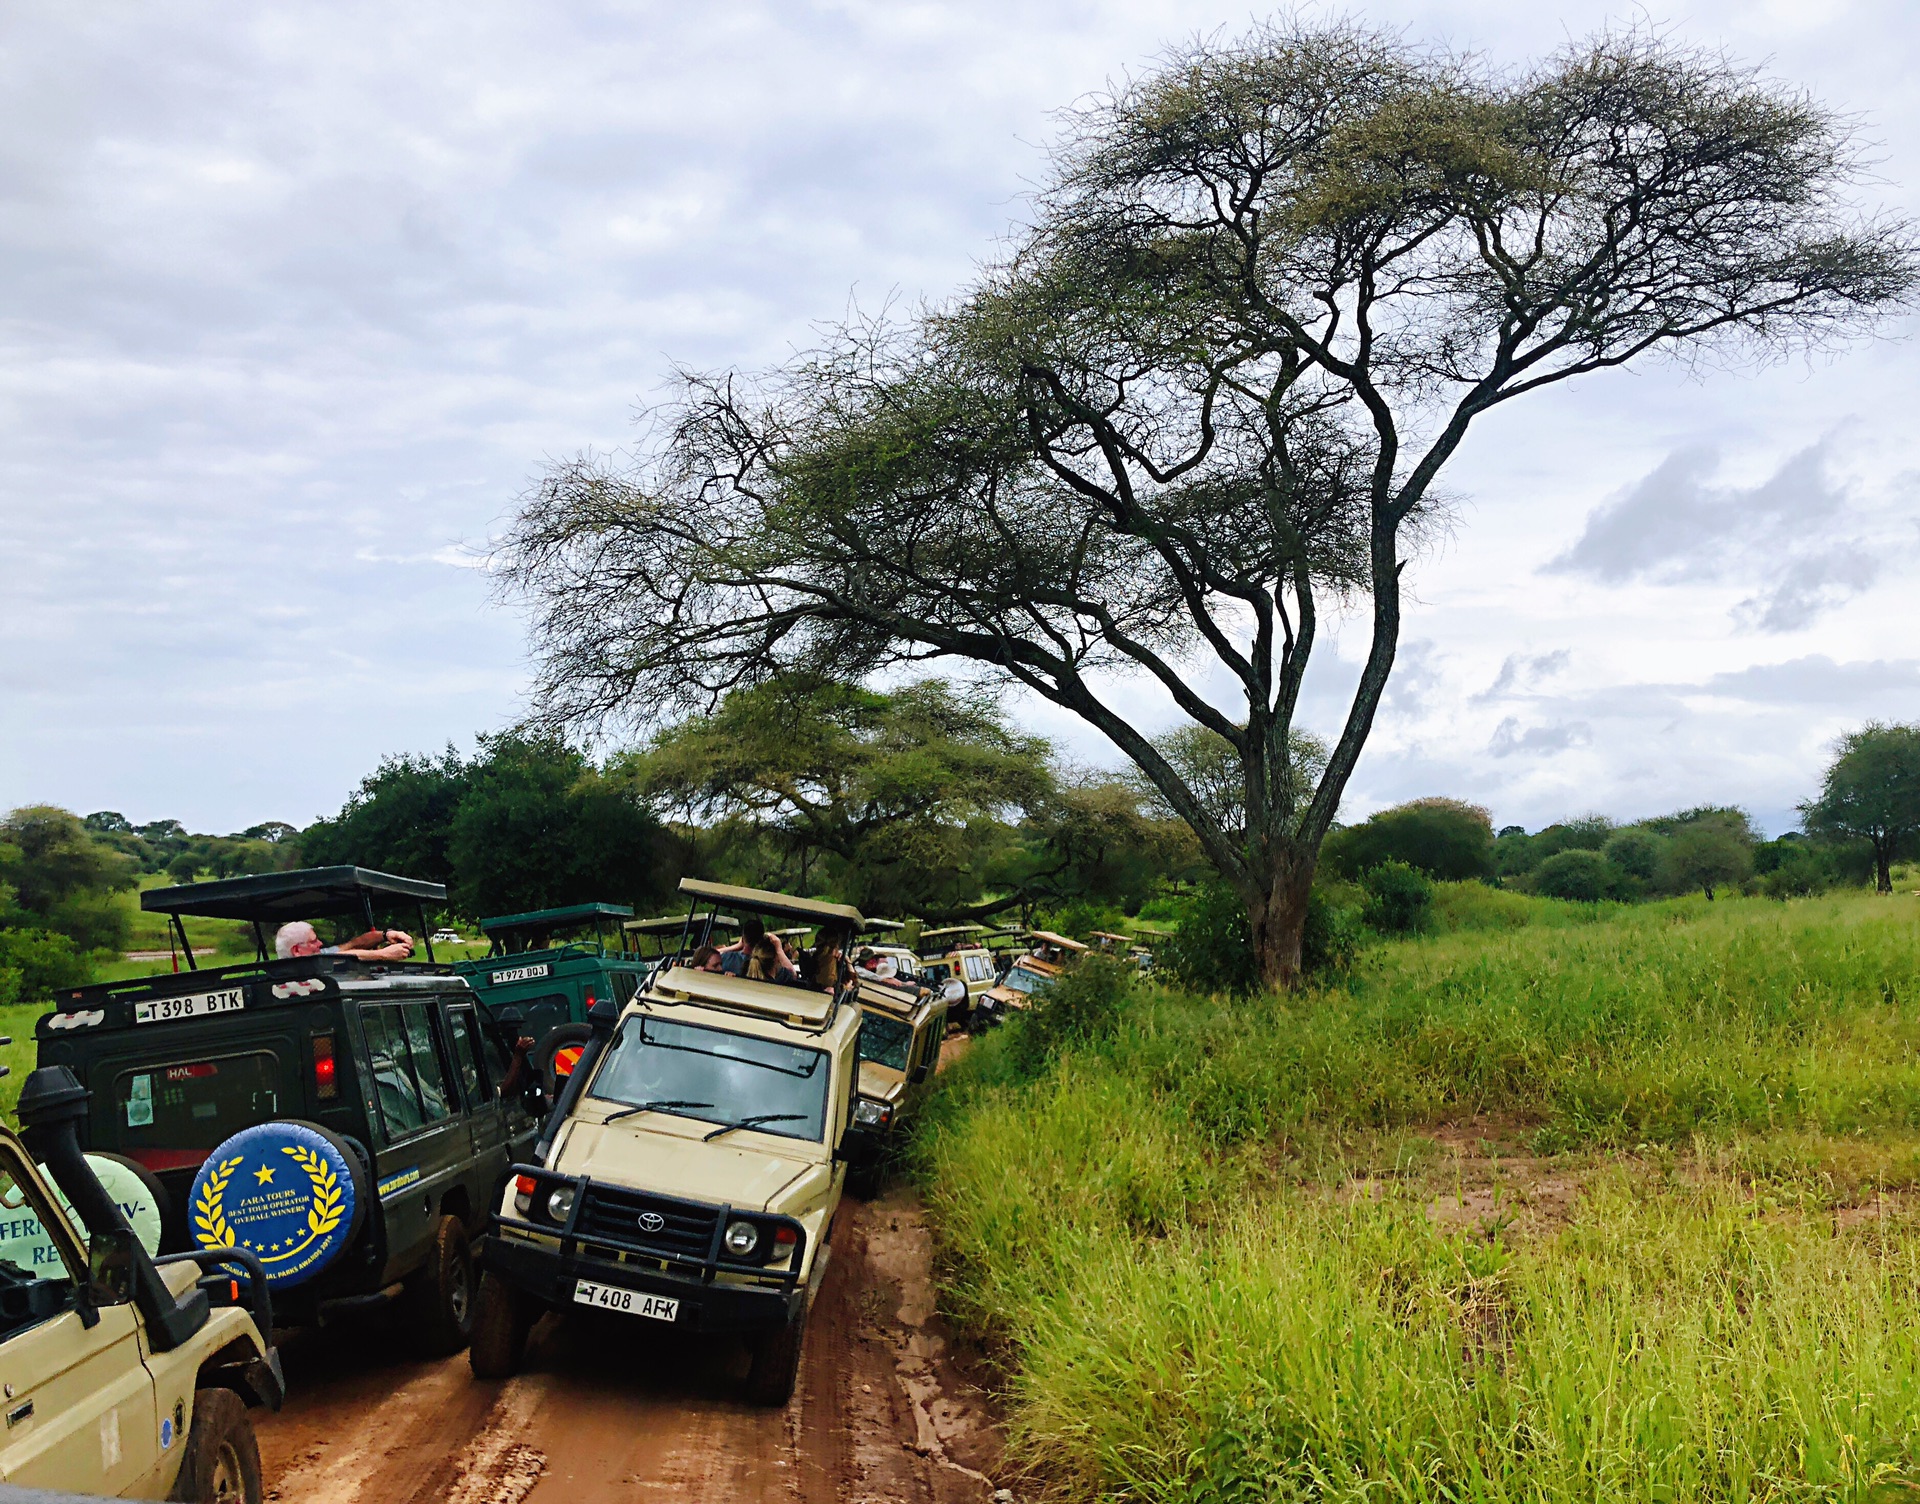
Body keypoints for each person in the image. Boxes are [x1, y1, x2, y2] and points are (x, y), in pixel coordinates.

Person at [275, 920, 414, 962]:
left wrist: (386, 935)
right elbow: (340, 957)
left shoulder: (319, 954)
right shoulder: (293, 974)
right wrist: (383, 954)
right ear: (297, 950)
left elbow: (351, 945)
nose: (320, 944)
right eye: (313, 941)